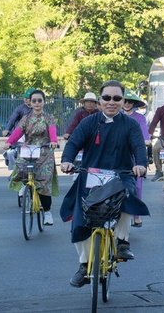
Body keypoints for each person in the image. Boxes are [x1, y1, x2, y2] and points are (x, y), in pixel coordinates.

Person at [60, 79, 149, 288]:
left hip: (121, 175)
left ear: (123, 100)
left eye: (117, 98)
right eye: (107, 98)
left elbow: (138, 147)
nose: (112, 102)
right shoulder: (89, 122)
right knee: (80, 218)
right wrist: (66, 160)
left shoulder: (131, 124)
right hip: (90, 176)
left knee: (128, 195)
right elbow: (73, 143)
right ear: (100, 100)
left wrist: (141, 165)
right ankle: (84, 266)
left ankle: (122, 242)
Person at [4, 89, 59, 225]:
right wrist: (9, 142)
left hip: (44, 151)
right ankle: (25, 184)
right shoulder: (26, 118)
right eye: (34, 100)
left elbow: (52, 130)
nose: (36, 103)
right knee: (19, 167)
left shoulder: (49, 118)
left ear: (44, 102)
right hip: (28, 150)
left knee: (44, 182)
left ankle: (47, 213)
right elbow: (18, 131)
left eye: (39, 100)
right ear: (30, 101)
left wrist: (53, 141)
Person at [122, 89, 150, 227]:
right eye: (124, 101)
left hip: (134, 155)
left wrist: (145, 141)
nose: (127, 104)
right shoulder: (115, 115)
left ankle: (136, 215)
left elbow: (145, 134)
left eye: (130, 101)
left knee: (137, 185)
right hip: (118, 154)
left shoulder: (140, 118)